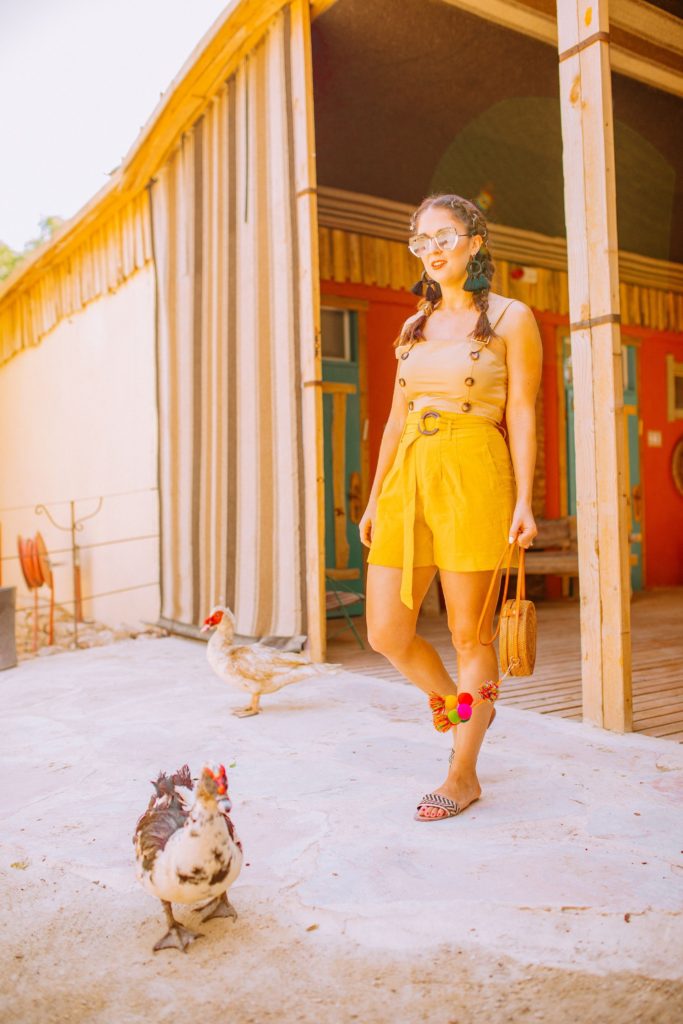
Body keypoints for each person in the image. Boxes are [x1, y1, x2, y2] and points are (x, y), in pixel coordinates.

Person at [360, 192, 543, 822]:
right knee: (386, 631)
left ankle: (462, 771)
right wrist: (375, 497)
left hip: (475, 471)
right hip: (408, 475)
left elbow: (521, 410)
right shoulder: (414, 325)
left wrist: (524, 497)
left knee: (471, 635)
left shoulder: (513, 318)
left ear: (475, 242)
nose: (432, 250)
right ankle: (463, 709)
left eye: (444, 236)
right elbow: (392, 421)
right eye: (420, 240)